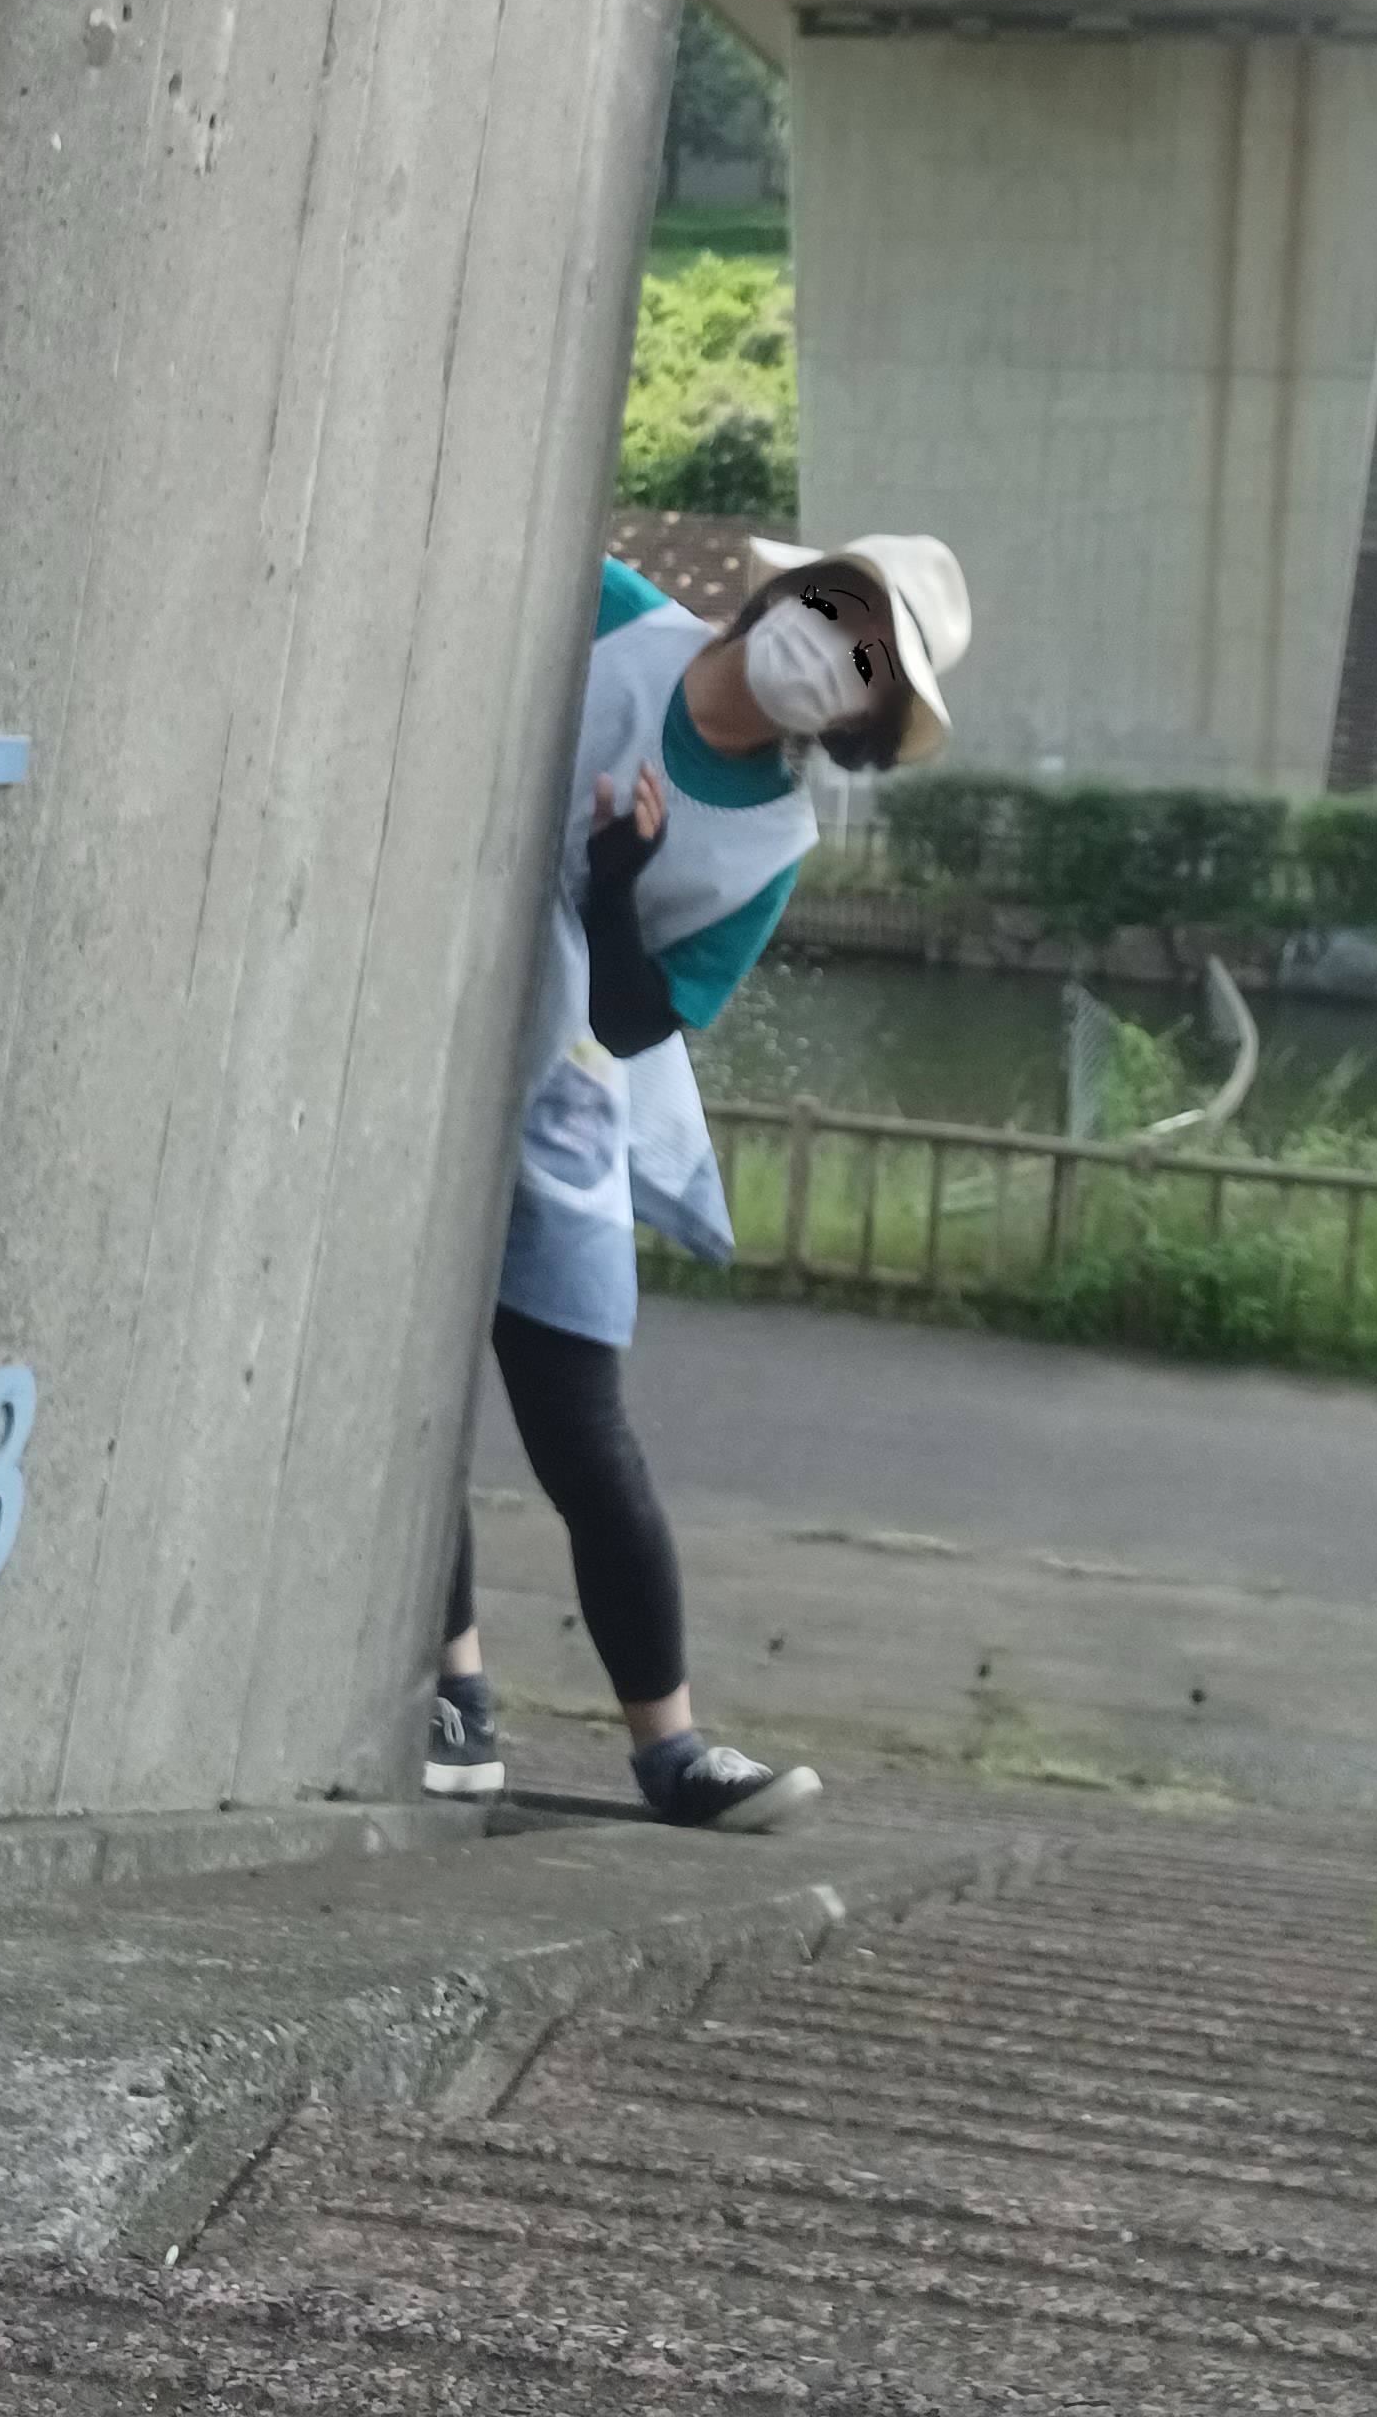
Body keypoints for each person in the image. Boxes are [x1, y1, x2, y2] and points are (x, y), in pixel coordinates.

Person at [427, 527, 972, 1833]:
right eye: (837, 610)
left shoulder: (767, 845)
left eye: (869, 663)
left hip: (558, 1095)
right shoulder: (615, 614)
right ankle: (456, 1694)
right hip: (417, 1025)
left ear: (861, 722)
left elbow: (636, 1021)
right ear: (786, 587)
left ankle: (670, 1751)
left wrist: (617, 888)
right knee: (407, 1398)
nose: (832, 651)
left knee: (583, 1432)